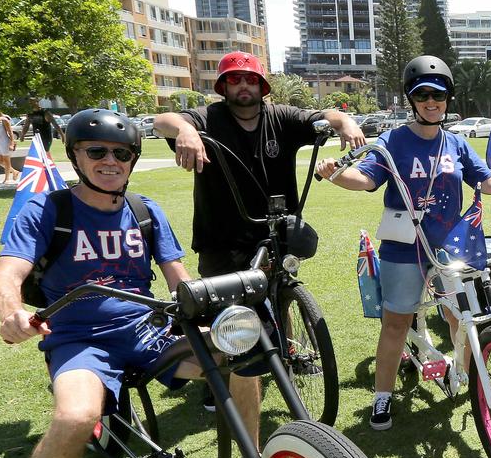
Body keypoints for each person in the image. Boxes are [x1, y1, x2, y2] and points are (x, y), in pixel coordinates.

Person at [0, 109, 261, 458]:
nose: (110, 161)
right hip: (78, 339)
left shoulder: (145, 210)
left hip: (147, 332)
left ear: (133, 159)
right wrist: (11, 313)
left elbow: (180, 282)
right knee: (75, 417)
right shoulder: (47, 211)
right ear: (77, 156)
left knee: (242, 353)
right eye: (97, 152)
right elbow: (6, 275)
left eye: (122, 153)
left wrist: (207, 316)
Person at [315, 55, 491, 430]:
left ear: (448, 100)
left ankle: (457, 373)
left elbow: (489, 185)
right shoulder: (392, 141)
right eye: (423, 95)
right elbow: (365, 180)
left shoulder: (456, 144)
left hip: (448, 250)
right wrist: (334, 174)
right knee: (396, 323)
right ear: (412, 100)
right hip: (403, 249)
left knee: (460, 319)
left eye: (439, 95)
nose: (432, 102)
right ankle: (382, 396)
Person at [154, 50, 364, 411]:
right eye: (235, 79)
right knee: (225, 311)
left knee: (279, 291)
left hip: (273, 227)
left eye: (250, 78)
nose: (244, 85)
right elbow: (162, 120)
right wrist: (186, 130)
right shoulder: (208, 118)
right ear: (223, 86)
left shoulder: (280, 116)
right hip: (222, 233)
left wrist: (343, 121)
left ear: (262, 84)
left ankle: (286, 352)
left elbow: (321, 116)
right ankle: (217, 374)